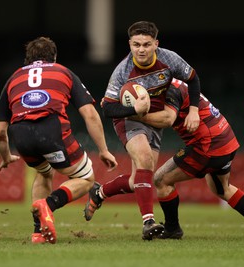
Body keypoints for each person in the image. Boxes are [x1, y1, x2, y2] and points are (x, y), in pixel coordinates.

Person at [87, 78, 244, 240]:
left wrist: (137, 116)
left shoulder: (170, 90)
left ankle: (172, 229)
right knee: (222, 189)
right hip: (226, 139)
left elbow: (167, 119)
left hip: (206, 145)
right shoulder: (174, 83)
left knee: (160, 180)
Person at [0, 36, 118, 244]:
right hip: (51, 130)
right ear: (55, 57)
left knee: (43, 172)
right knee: (86, 179)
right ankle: (48, 205)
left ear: (27, 59)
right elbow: (90, 114)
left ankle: (38, 232)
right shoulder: (63, 71)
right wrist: (103, 150)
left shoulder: (14, 77)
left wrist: (5, 157)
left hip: (20, 134)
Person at [83, 21, 201, 240]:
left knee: (140, 178)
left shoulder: (170, 59)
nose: (141, 49)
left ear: (156, 43)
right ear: (130, 44)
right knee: (145, 159)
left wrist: (193, 110)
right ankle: (148, 222)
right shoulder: (123, 71)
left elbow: (193, 80)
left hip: (153, 121)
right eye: (136, 44)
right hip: (128, 119)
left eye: (147, 44)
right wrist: (132, 109)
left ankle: (100, 192)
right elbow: (108, 107)